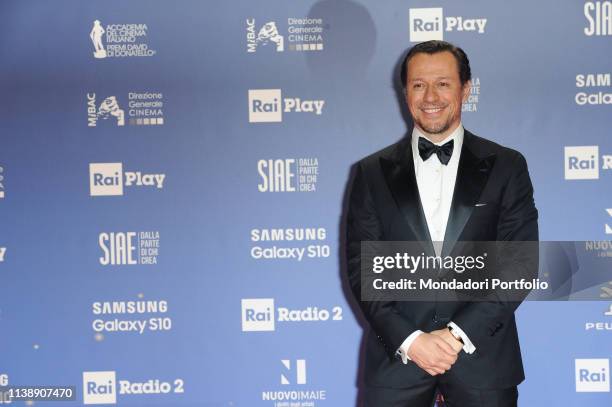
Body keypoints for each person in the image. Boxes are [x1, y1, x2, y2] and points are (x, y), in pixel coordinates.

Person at [345, 40, 538, 406]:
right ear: (405, 93)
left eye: (443, 83)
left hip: (482, 359)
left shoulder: (507, 166)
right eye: (419, 84)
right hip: (397, 360)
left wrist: (455, 336)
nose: (430, 96)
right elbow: (363, 269)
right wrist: (412, 341)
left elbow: (520, 265)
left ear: (466, 88)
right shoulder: (370, 173)